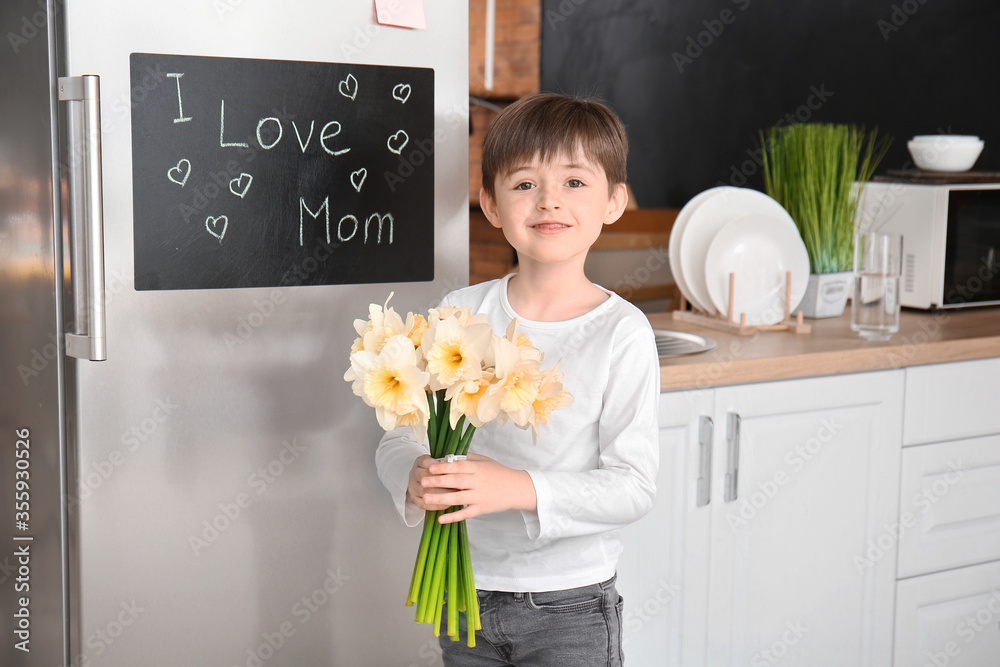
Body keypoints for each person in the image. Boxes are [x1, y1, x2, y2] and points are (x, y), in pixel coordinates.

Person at [375, 93, 660, 667]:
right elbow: (400, 433)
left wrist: (517, 487)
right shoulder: (462, 313)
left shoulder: (624, 333)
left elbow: (633, 486)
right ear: (491, 204)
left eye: (575, 182)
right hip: (464, 592)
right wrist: (410, 473)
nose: (549, 200)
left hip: (572, 604)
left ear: (614, 202)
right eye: (525, 184)